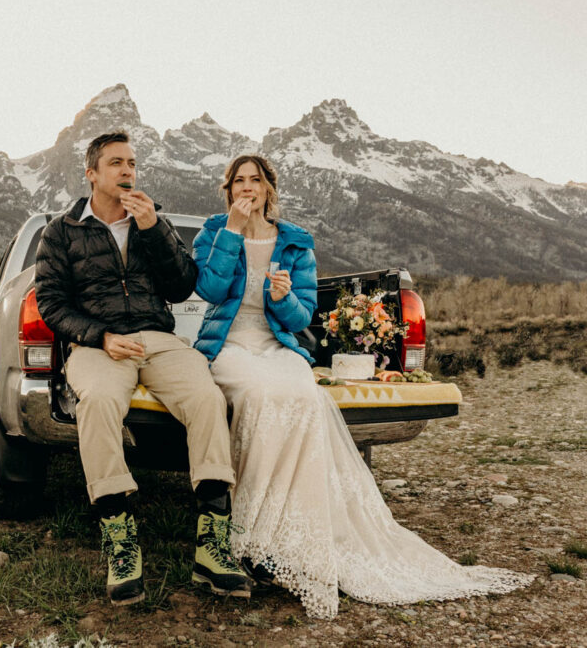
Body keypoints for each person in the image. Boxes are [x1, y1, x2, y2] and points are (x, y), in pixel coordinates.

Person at [192, 154, 534, 620]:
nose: (246, 189)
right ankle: (250, 529)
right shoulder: (213, 231)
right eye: (238, 182)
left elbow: (300, 318)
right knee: (258, 396)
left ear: (269, 188)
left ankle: (279, 532)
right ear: (228, 189)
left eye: (255, 181)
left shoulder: (296, 244)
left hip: (277, 347)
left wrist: (282, 297)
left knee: (304, 397)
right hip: (229, 346)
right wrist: (233, 230)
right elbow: (209, 291)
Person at [34, 132, 253, 605]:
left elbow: (180, 288)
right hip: (99, 343)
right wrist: (100, 337)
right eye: (116, 163)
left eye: (132, 162)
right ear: (91, 173)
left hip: (158, 338)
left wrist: (154, 229)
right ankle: (121, 542)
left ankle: (212, 549)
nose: (127, 171)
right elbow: (52, 305)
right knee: (99, 402)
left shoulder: (153, 220)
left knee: (206, 399)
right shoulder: (61, 231)